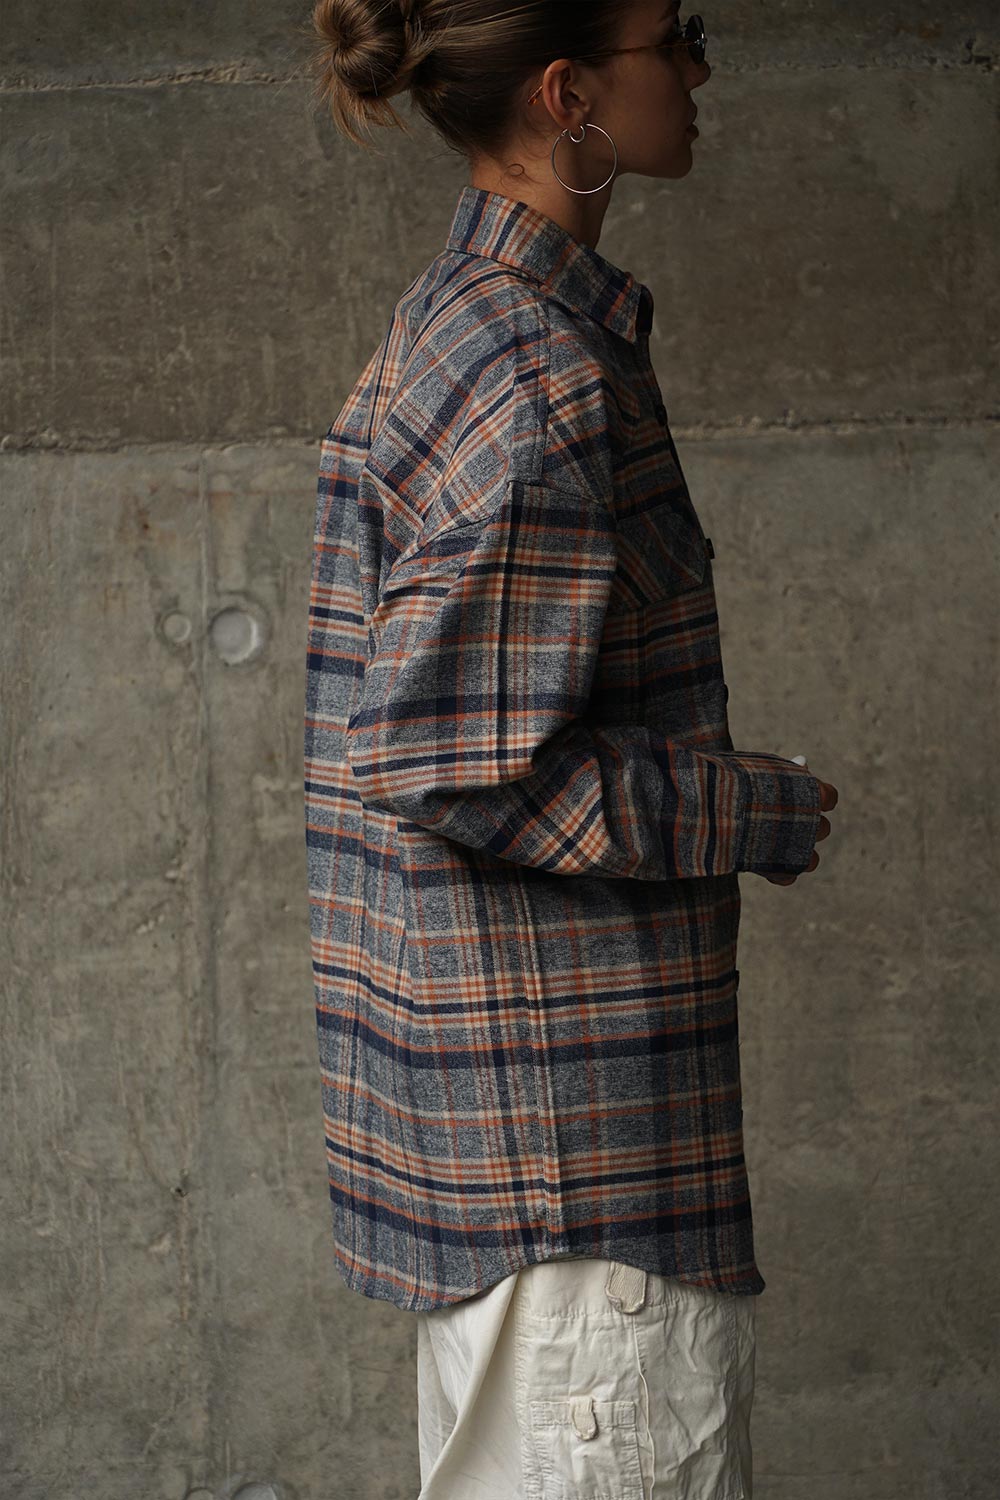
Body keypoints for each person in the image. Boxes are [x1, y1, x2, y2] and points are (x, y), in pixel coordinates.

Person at [303, 3, 839, 1495]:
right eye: (677, 34)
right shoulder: (533, 371)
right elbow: (451, 765)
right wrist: (752, 810)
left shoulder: (468, 328)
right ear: (569, 93)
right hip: (581, 1202)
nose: (703, 67)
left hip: (529, 1176)